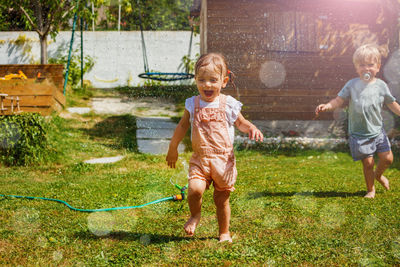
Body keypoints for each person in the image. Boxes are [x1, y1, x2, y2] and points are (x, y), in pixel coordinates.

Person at [166, 53, 264, 242]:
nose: (207, 85)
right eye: (202, 80)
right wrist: (173, 147)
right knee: (195, 190)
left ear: (224, 81)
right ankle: (195, 215)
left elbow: (241, 123)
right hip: (200, 159)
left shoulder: (228, 105)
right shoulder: (192, 104)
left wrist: (251, 128)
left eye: (213, 80)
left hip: (223, 161)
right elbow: (182, 126)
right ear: (195, 80)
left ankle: (224, 232)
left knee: (222, 200)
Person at [315, 44, 400, 198]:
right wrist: (327, 106)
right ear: (356, 68)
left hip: (377, 131)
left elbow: (391, 104)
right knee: (368, 164)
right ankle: (371, 189)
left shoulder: (381, 86)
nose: (366, 68)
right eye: (362, 65)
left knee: (388, 159)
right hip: (360, 133)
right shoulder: (352, 84)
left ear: (378, 67)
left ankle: (379, 176)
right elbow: (338, 100)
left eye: (370, 65)